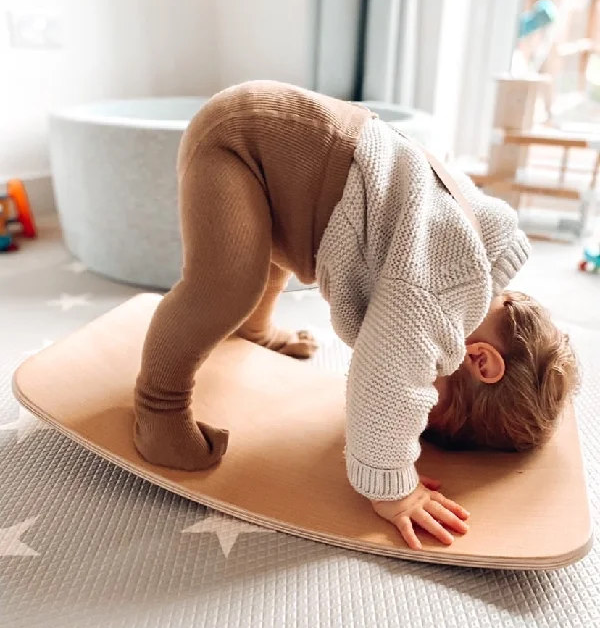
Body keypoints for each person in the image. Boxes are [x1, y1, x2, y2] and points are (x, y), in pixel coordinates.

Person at [133, 81, 579, 550]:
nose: (418, 410)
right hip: (239, 146)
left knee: (260, 258)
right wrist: (395, 488)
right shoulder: (436, 295)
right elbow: (385, 379)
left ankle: (255, 330)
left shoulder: (477, 248)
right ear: (480, 362)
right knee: (224, 286)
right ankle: (157, 408)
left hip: (285, 150)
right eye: (432, 406)